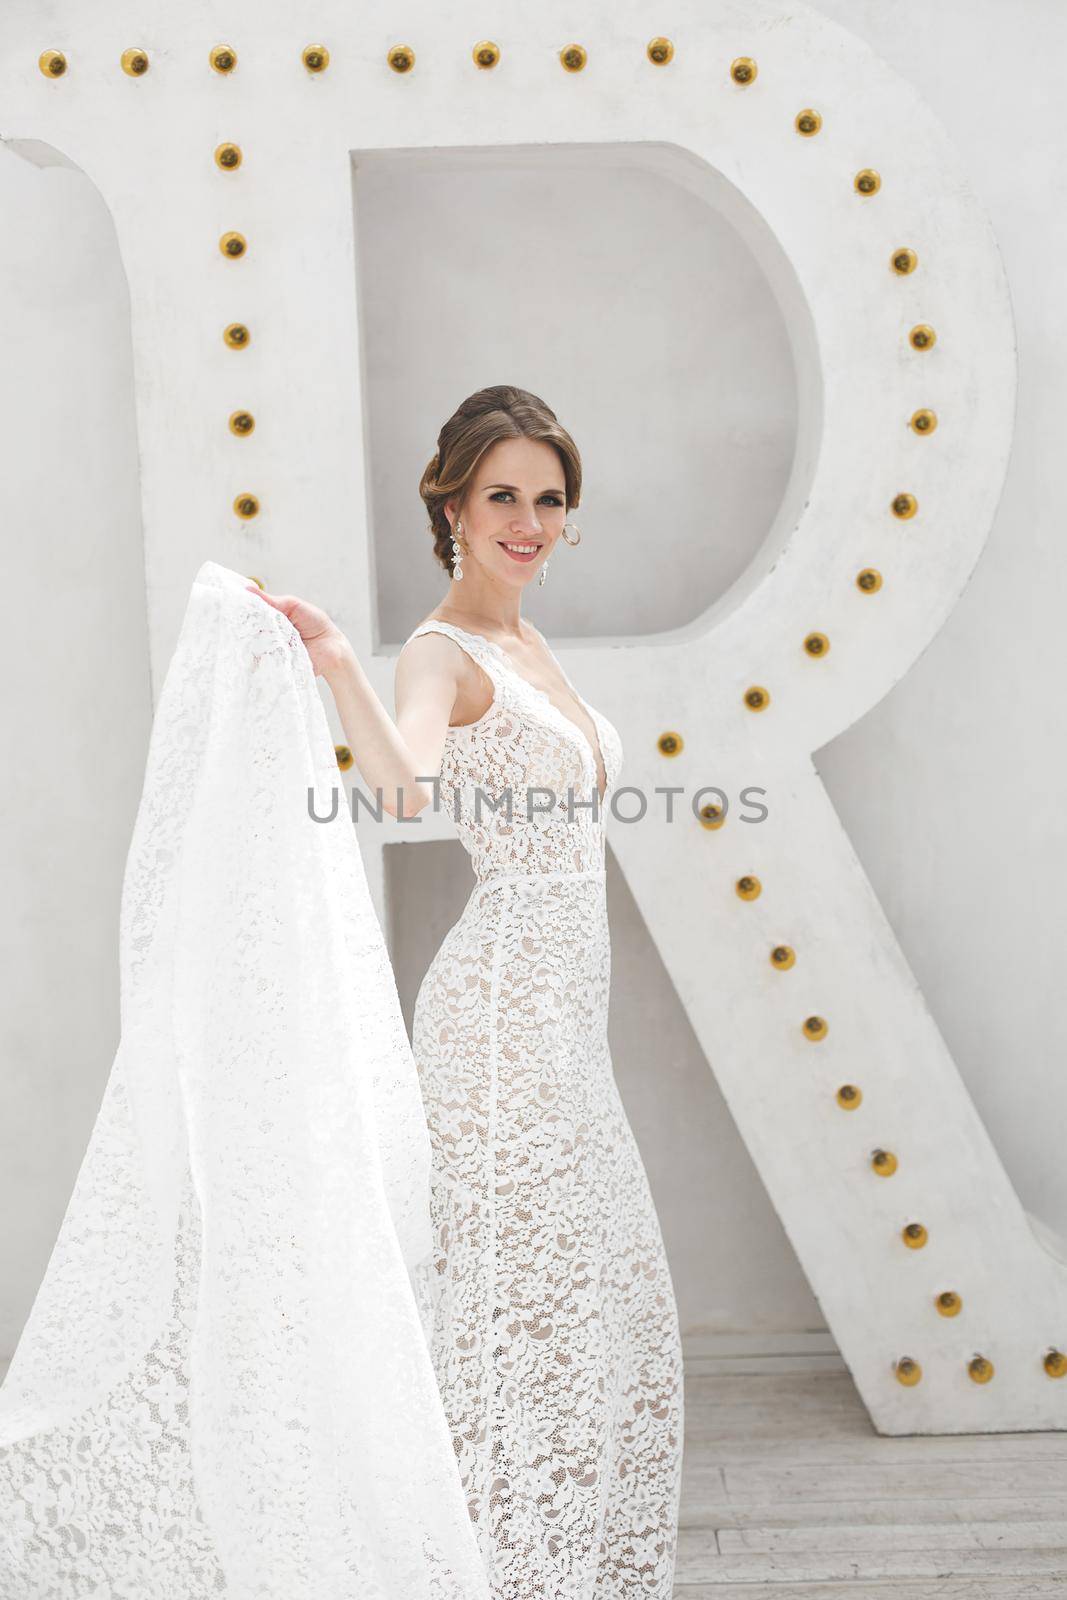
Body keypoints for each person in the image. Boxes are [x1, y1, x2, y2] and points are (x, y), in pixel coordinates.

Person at [249, 384, 683, 1598]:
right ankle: (479, 1564)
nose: (528, 520)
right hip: (498, 1018)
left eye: (548, 498)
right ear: (450, 503)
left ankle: (528, 1558)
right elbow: (403, 788)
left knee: (572, 1298)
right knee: (510, 1298)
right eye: (502, 496)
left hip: (558, 1017)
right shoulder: (439, 652)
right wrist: (339, 663)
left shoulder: (528, 644)